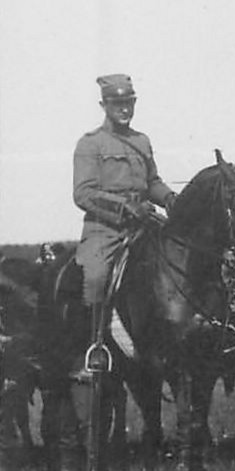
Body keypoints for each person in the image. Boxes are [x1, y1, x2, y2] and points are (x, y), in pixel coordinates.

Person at [72, 75, 176, 347]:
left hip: (146, 221)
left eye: (129, 102)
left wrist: (170, 198)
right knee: (95, 277)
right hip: (105, 229)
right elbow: (83, 193)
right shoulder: (90, 144)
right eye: (117, 103)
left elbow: (152, 182)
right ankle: (94, 345)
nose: (124, 109)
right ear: (103, 104)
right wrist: (123, 206)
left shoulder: (141, 141)